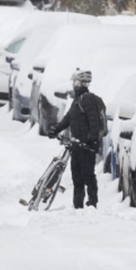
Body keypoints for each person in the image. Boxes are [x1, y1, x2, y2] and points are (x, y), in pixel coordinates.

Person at [47, 69, 99, 209]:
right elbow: (68, 118)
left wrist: (93, 141)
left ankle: (92, 203)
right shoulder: (77, 100)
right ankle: (78, 206)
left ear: (80, 83)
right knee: (77, 177)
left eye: (75, 82)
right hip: (76, 144)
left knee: (87, 175)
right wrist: (55, 129)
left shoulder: (87, 99)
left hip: (86, 146)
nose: (73, 85)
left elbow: (94, 121)